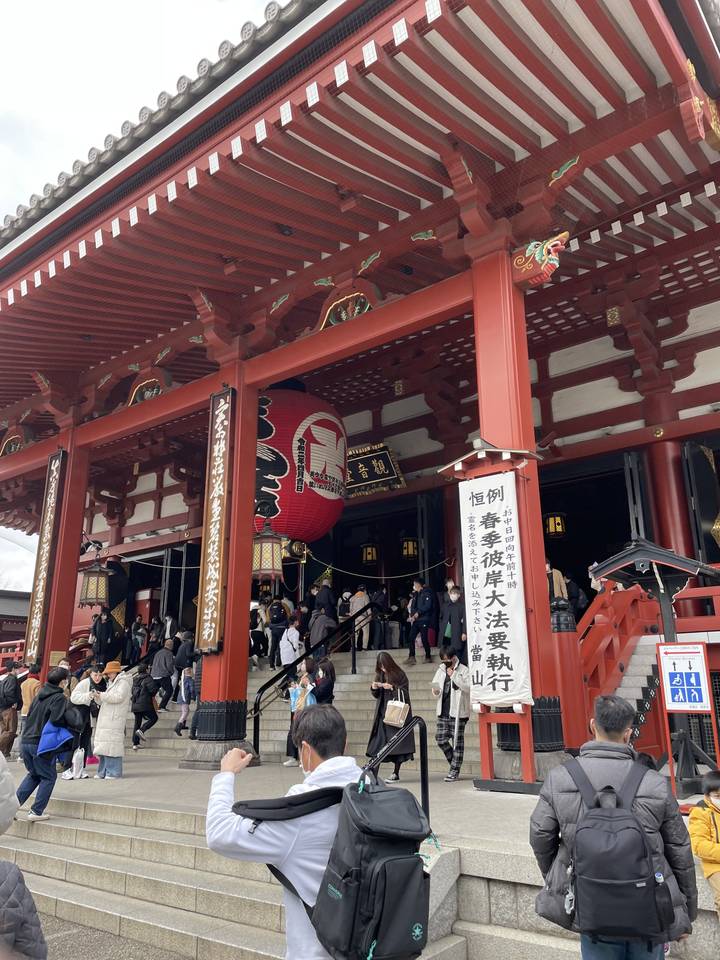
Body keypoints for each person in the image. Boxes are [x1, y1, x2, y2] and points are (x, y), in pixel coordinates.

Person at [530, 694, 697, 959]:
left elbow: (540, 835)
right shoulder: (654, 782)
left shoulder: (560, 777)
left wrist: (564, 875)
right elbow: (679, 849)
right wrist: (687, 911)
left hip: (591, 901)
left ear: (592, 724)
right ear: (628, 733)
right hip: (648, 907)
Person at [207, 705, 363, 960]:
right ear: (344, 744)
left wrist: (225, 775)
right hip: (369, 944)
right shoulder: (370, 791)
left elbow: (218, 833)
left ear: (304, 750)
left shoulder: (301, 812)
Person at [0, 750, 47, 958]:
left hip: (33, 746)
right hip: (42, 747)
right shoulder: (6, 878)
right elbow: (31, 951)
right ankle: (36, 810)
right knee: (47, 775)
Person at [16, 667, 76, 821]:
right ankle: (36, 811)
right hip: (41, 743)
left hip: (27, 741)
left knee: (34, 775)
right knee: (48, 776)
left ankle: (10, 809)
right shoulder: (59, 698)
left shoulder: (38, 696)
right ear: (63, 682)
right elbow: (56, 719)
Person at [367, 652, 414, 784]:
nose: (382, 668)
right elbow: (376, 695)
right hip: (383, 713)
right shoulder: (380, 675)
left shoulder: (399, 674)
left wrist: (393, 687)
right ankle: (373, 773)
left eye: (384, 665)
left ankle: (396, 772)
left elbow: (405, 692)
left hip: (395, 714)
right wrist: (374, 687)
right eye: (380, 666)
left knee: (396, 744)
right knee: (377, 744)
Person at [431, 647, 470, 782]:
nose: (446, 662)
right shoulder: (441, 669)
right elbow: (435, 685)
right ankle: (454, 763)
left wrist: (453, 675)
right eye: (443, 660)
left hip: (459, 711)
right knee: (440, 739)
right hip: (443, 710)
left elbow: (468, 687)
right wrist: (435, 691)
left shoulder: (463, 670)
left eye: (448, 660)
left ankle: (454, 771)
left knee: (457, 743)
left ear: (453, 658)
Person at [92, 662, 133, 779]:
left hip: (114, 718)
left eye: (109, 673)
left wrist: (102, 695)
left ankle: (113, 772)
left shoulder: (123, 683)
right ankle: (103, 771)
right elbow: (108, 699)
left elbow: (118, 698)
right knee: (105, 747)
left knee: (112, 747)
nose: (108, 675)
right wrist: (98, 697)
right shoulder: (113, 682)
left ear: (116, 671)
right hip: (108, 718)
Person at [689, 770, 720, 919]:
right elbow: (699, 845)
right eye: (718, 796)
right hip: (715, 864)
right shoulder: (701, 812)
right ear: (708, 796)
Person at [69, 664, 107, 775]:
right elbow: (74, 698)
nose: (98, 678)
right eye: (95, 675)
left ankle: (82, 768)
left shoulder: (103, 685)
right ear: (91, 674)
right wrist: (89, 696)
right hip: (79, 715)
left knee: (85, 743)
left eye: (100, 675)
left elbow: (102, 702)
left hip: (90, 717)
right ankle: (70, 767)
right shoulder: (84, 683)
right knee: (74, 742)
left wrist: (98, 698)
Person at [283, 659, 317, 767]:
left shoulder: (309, 677)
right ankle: (296, 757)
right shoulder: (302, 677)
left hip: (303, 708)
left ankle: (303, 758)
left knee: (302, 732)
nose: (301, 665)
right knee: (297, 731)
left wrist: (296, 689)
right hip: (300, 706)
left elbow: (306, 692)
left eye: (303, 663)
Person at [12, 663, 41, 762]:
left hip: (24, 710)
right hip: (33, 711)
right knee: (32, 733)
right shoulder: (37, 683)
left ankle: (21, 755)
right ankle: (30, 754)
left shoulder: (23, 683)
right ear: (38, 672)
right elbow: (38, 699)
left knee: (23, 733)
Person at [130, 663, 159, 749]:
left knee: (137, 723)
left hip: (135, 704)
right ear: (146, 669)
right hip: (145, 704)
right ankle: (142, 730)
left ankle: (135, 744)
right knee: (154, 718)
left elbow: (132, 692)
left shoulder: (135, 679)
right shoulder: (148, 678)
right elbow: (153, 690)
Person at [406, 578, 434, 665]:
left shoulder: (427, 593)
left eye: (414, 584)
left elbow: (428, 606)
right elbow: (413, 607)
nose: (413, 586)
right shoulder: (415, 595)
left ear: (418, 584)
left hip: (424, 619)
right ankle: (411, 657)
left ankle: (428, 656)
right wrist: (412, 616)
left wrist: (419, 613)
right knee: (411, 637)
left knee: (424, 638)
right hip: (416, 620)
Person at [0, 661, 24, 758]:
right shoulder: (12, 679)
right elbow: (9, 692)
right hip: (9, 708)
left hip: (2, 707)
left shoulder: (4, 679)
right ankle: (2, 749)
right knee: (11, 731)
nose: (19, 670)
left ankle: (5, 752)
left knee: (5, 730)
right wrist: (14, 702)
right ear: (14, 668)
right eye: (18, 668)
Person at [438, 586, 467, 665]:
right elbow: (440, 618)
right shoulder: (445, 605)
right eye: (452, 593)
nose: (453, 595)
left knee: (457, 652)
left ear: (459, 595)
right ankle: (447, 668)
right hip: (445, 633)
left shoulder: (462, 606)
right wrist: (441, 627)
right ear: (449, 594)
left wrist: (464, 632)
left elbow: (465, 620)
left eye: (456, 593)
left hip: (457, 632)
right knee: (445, 651)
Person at [151, 638, 176, 711]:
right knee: (169, 690)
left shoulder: (158, 652)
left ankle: (149, 706)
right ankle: (162, 706)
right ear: (171, 646)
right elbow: (169, 665)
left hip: (154, 675)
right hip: (163, 675)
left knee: (153, 692)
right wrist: (171, 672)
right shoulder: (169, 653)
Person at [268, 598, 289, 669]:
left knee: (273, 647)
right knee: (280, 646)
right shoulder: (284, 606)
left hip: (273, 629)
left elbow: (268, 619)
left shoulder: (270, 607)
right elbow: (288, 615)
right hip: (282, 628)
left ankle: (271, 665)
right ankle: (278, 663)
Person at [349, 584, 371, 651]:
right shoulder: (365, 596)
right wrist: (370, 615)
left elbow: (351, 609)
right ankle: (364, 648)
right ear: (364, 590)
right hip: (363, 617)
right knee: (365, 632)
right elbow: (368, 607)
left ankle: (353, 647)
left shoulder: (353, 597)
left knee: (355, 633)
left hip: (355, 617)